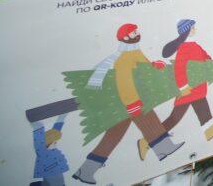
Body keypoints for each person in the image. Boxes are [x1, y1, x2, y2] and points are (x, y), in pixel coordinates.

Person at [72, 23, 184, 184]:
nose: (137, 34)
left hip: (130, 100)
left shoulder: (134, 52)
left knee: (114, 135)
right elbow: (125, 81)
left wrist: (154, 65)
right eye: (133, 33)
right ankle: (163, 148)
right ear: (125, 38)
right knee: (149, 120)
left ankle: (87, 169)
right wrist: (131, 102)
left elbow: (142, 65)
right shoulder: (123, 59)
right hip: (129, 100)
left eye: (136, 31)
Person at [137, 19, 213, 159]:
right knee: (174, 118)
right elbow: (179, 69)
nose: (195, 29)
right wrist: (183, 87)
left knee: (204, 111)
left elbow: (207, 59)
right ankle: (147, 141)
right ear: (187, 31)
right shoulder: (184, 48)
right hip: (189, 90)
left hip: (198, 88)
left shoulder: (195, 46)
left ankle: (211, 131)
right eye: (193, 27)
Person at [29, 113, 69, 186]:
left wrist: (62, 117)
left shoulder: (50, 150)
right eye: (54, 142)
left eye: (55, 142)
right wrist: (38, 126)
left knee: (52, 183)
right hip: (52, 174)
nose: (56, 144)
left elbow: (56, 130)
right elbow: (39, 141)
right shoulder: (42, 151)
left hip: (54, 175)